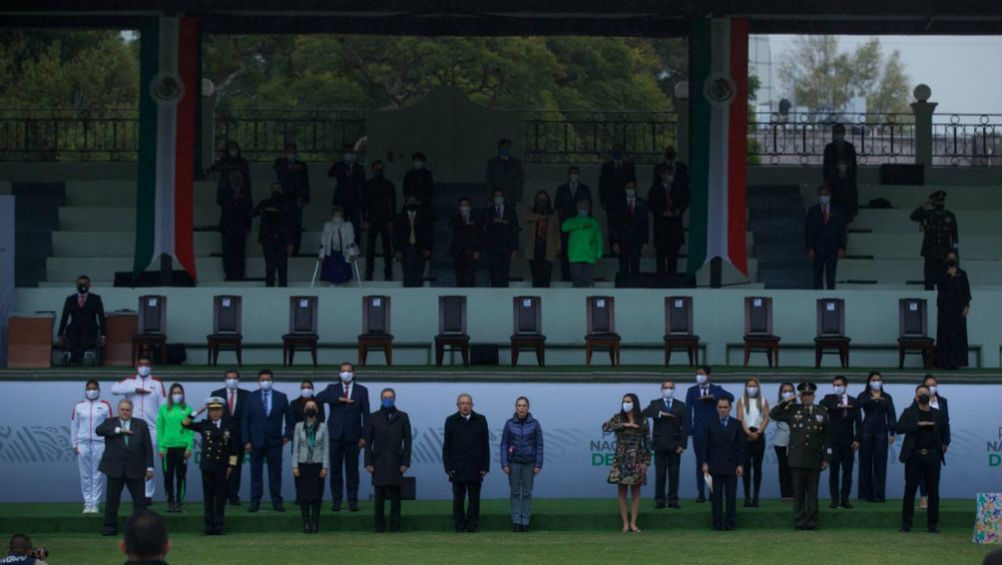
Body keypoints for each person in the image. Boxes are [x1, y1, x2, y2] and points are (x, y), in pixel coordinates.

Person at [770, 382, 829, 530]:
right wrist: (787, 400)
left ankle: (812, 521)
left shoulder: (822, 411)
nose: (806, 397)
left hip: (815, 458)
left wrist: (827, 457)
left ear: (814, 396)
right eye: (803, 394)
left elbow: (828, 437)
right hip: (796, 458)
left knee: (812, 492)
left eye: (809, 394)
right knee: (798, 492)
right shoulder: (792, 410)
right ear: (800, 396)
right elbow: (773, 414)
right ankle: (799, 521)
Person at [316, 362, 370, 512]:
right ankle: (337, 501)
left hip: (354, 437)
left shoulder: (362, 390)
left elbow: (366, 415)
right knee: (335, 471)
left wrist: (365, 436)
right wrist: (338, 399)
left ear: (354, 373)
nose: (346, 373)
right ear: (339, 373)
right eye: (343, 371)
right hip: (334, 436)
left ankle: (352, 501)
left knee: (352, 470)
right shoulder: (332, 389)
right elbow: (319, 398)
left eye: (349, 370)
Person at [181, 397, 239, 535]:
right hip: (207, 466)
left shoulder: (229, 426)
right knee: (208, 498)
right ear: (208, 411)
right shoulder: (204, 424)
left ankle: (219, 526)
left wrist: (231, 466)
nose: (215, 413)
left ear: (222, 411)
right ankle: (208, 526)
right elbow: (184, 423)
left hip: (222, 467)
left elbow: (235, 449)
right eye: (212, 409)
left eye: (217, 409)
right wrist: (198, 411)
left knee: (220, 498)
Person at [111, 356, 165, 505]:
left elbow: (163, 408)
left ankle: (148, 495)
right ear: (136, 366)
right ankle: (137, 493)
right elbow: (113, 389)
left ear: (151, 366)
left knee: (150, 462)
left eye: (147, 364)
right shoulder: (130, 382)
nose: (144, 367)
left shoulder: (157, 384)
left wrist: (162, 430)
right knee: (132, 461)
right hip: (132, 428)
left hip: (151, 428)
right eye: (141, 364)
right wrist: (134, 389)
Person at [97, 399, 154, 536]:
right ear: (118, 410)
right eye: (122, 409)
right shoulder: (110, 423)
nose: (125, 412)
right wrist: (118, 430)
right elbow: (98, 430)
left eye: (127, 410)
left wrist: (150, 467)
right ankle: (110, 526)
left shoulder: (141, 424)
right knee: (112, 500)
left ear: (132, 410)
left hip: (136, 468)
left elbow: (148, 447)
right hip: (115, 469)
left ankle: (141, 528)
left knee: (140, 501)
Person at [897, 384, 948, 533]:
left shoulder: (938, 413)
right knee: (910, 489)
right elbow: (898, 428)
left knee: (933, 490)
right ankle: (906, 523)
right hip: (914, 456)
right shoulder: (909, 412)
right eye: (920, 394)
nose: (923, 396)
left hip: (933, 456)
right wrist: (917, 424)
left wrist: (944, 444)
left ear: (931, 396)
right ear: (916, 397)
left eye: (926, 393)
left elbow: (945, 430)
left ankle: (933, 524)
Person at [241, 369, 293, 513]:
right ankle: (255, 502)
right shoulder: (250, 397)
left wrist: (287, 435)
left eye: (268, 379)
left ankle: (277, 502)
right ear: (258, 381)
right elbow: (245, 421)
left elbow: (290, 419)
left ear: (272, 380)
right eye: (263, 379)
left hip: (275, 441)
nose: (265, 381)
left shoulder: (281, 397)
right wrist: (246, 441)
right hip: (255, 442)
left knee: (275, 473)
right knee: (255, 473)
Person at [364, 388, 413, 533]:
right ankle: (379, 526)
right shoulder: (373, 417)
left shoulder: (402, 416)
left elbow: (408, 441)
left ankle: (395, 525)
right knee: (379, 498)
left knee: (396, 497)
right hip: (378, 462)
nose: (388, 399)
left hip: (396, 463)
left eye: (390, 397)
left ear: (395, 399)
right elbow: (368, 442)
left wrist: (405, 462)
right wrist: (368, 462)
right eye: (385, 397)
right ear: (380, 398)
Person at [685, 366, 734, 502]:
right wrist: (689, 431)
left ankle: (713, 492)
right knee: (700, 462)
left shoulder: (717, 389)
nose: (698, 376)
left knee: (714, 462)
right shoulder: (692, 391)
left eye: (701, 374)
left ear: (708, 375)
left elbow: (731, 397)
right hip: (699, 431)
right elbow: (688, 412)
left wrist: (713, 397)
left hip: (715, 431)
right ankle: (701, 493)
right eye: (697, 374)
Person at [603, 393, 650, 533]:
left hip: (637, 459)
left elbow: (647, 443)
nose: (626, 404)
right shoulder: (618, 418)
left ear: (634, 403)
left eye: (628, 401)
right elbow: (605, 427)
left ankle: (633, 523)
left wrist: (646, 462)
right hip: (621, 459)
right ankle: (625, 524)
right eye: (624, 401)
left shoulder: (643, 420)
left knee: (636, 493)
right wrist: (625, 424)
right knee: (622, 492)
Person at [442, 393, 490, 532]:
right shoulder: (450, 421)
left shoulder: (481, 420)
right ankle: (459, 524)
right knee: (458, 498)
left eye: (467, 403)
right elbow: (447, 447)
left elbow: (485, 445)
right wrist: (448, 467)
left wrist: (485, 466)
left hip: (476, 466)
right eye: (462, 403)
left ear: (472, 405)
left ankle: (472, 524)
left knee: (474, 499)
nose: (465, 405)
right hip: (457, 467)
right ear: (457, 405)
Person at [699, 397, 746, 531]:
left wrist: (740, 464)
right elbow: (704, 446)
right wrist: (704, 463)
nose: (723, 410)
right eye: (721, 407)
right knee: (716, 498)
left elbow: (741, 447)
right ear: (716, 408)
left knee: (731, 497)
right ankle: (717, 523)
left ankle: (730, 523)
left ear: (730, 408)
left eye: (725, 407)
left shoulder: (737, 424)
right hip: (714, 466)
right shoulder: (709, 423)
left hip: (732, 466)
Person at [641, 379, 687, 509]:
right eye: (666, 387)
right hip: (659, 444)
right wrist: (660, 413)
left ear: (674, 389)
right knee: (660, 475)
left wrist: (682, 445)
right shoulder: (655, 403)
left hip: (675, 445)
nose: (668, 390)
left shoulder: (681, 405)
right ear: (662, 389)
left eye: (671, 387)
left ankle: (673, 500)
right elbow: (644, 413)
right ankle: (659, 501)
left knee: (674, 475)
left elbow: (686, 427)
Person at [500, 397, 544, 532]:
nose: (522, 408)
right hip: (513, 464)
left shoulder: (535, 424)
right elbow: (504, 445)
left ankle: (525, 521)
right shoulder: (509, 424)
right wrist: (504, 463)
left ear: (528, 408)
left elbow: (539, 446)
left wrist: (538, 464)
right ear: (515, 407)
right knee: (514, 493)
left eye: (524, 405)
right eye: (519, 405)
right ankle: (516, 521)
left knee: (526, 494)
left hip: (529, 464)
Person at [819, 375, 861, 509]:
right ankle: (834, 500)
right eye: (834, 385)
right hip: (833, 442)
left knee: (847, 472)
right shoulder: (828, 399)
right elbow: (822, 404)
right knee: (834, 472)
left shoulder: (854, 401)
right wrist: (839, 405)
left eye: (839, 385)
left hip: (849, 442)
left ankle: (845, 500)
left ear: (845, 385)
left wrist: (857, 439)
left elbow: (859, 422)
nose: (836, 387)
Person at [72, 379, 113, 514]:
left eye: (94, 388)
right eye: (89, 388)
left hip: (100, 443)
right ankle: (87, 503)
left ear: (99, 390)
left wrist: (110, 444)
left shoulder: (105, 405)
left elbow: (110, 426)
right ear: (85, 390)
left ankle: (95, 504)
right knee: (85, 475)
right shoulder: (79, 406)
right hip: (83, 443)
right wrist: (74, 444)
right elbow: (74, 426)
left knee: (97, 475)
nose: (92, 390)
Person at [211, 370, 249, 506]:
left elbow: (249, 419)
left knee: (235, 466)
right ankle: (220, 495)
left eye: (234, 378)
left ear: (238, 379)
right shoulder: (216, 394)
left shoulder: (246, 395)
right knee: (220, 467)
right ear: (225, 379)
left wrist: (246, 439)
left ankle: (233, 495)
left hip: (237, 442)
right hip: (220, 439)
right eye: (229, 378)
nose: (231, 380)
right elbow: (211, 417)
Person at [857, 371, 896, 503]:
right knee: (865, 463)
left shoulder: (887, 396)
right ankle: (865, 495)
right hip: (866, 431)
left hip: (881, 431)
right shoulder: (863, 395)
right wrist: (870, 399)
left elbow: (891, 415)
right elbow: (858, 408)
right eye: (874, 379)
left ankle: (878, 495)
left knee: (880, 464)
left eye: (879, 379)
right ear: (869, 382)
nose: (876, 381)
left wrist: (891, 432)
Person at [292, 398, 329, 534]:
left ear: (317, 410)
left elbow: (326, 448)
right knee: (303, 496)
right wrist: (294, 466)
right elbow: (295, 447)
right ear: (304, 410)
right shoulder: (298, 426)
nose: (310, 408)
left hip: (318, 465)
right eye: (308, 406)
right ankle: (306, 522)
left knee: (316, 496)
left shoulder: (324, 426)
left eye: (313, 406)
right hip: (302, 465)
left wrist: (325, 467)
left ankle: (315, 522)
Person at [155, 383, 193, 513]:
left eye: (179, 392)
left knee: (181, 477)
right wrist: (161, 447)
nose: (177, 394)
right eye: (175, 392)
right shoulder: (164, 409)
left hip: (182, 448)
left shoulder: (187, 409)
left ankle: (180, 502)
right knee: (168, 477)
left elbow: (190, 430)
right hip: (167, 449)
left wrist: (189, 447)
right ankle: (170, 502)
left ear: (183, 394)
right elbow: (160, 428)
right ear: (170, 394)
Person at [910, 190, 959, 290]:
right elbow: (913, 216)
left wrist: (955, 254)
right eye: (937, 201)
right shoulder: (928, 215)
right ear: (933, 203)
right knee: (929, 282)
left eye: (941, 201)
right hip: (930, 253)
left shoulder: (950, 216)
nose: (940, 203)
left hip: (944, 254)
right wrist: (925, 204)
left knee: (944, 283)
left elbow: (955, 237)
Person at [914, 375, 950, 509]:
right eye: (929, 385)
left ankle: (933, 499)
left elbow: (946, 423)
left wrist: (946, 441)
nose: (932, 387)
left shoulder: (942, 401)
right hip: (922, 441)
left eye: (934, 384)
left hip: (937, 441)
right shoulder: (918, 400)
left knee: (934, 472)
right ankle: (923, 498)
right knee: (922, 472)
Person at [647, 165, 688, 274]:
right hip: (661, 229)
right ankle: (661, 282)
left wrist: (679, 210)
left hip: (675, 229)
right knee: (660, 257)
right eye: (669, 174)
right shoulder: (655, 190)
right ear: (663, 175)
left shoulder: (677, 188)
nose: (671, 176)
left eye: (672, 174)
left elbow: (684, 201)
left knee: (673, 258)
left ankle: (672, 282)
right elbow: (651, 206)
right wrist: (663, 213)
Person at [360, 160, 397, 281]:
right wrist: (365, 220)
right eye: (377, 168)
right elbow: (363, 204)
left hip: (386, 219)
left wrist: (392, 220)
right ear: (373, 169)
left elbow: (393, 204)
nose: (379, 171)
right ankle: (368, 273)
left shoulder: (389, 185)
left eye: (380, 168)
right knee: (370, 248)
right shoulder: (367, 185)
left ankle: (388, 273)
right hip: (372, 219)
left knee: (387, 248)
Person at [554, 166, 592, 281]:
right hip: (566, 226)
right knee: (566, 253)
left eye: (575, 173)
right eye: (571, 173)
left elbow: (590, 209)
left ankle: (580, 279)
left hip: (581, 228)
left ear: (579, 174)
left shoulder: (585, 188)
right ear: (568, 174)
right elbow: (556, 209)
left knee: (580, 253)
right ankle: (565, 279)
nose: (573, 175)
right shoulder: (561, 189)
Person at [805, 184, 846, 289]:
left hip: (833, 247)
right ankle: (817, 297)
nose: (824, 197)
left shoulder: (837, 210)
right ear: (818, 196)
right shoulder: (812, 211)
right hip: (817, 247)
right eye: (821, 194)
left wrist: (842, 247)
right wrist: (809, 248)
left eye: (826, 194)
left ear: (830, 195)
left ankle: (831, 297)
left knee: (831, 275)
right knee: (817, 275)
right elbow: (808, 230)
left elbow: (841, 230)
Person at [253, 182, 295, 287]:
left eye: (278, 188)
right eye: (274, 189)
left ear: (281, 190)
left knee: (282, 266)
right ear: (271, 190)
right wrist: (265, 209)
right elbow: (253, 213)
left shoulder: (287, 204)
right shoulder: (265, 203)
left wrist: (291, 242)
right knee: (270, 266)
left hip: (282, 238)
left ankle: (283, 290)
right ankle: (269, 289)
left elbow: (291, 224)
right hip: (268, 238)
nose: (276, 191)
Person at [736, 377, 769, 507]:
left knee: (757, 467)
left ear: (758, 387)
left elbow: (766, 418)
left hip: (759, 436)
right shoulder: (741, 401)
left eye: (754, 385)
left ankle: (755, 497)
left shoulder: (764, 400)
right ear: (745, 387)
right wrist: (748, 433)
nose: (752, 388)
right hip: (745, 435)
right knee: (746, 467)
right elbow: (740, 418)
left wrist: (758, 432)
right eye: (749, 385)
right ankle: (747, 496)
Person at [935, 250, 971, 369]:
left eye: (953, 257)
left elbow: (966, 291)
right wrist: (949, 276)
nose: (951, 259)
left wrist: (966, 306)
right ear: (946, 259)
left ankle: (956, 362)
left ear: (957, 259)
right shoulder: (941, 273)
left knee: (957, 335)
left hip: (958, 310)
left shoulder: (962, 273)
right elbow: (941, 289)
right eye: (949, 257)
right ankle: (944, 361)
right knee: (945, 335)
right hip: (945, 310)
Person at [57, 275, 106, 364]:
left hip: (90, 330)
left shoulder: (95, 299)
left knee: (85, 331)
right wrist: (60, 335)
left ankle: (77, 357)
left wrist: (103, 336)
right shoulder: (70, 299)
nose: (82, 286)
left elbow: (101, 318)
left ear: (89, 285)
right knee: (73, 330)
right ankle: (76, 356)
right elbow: (64, 317)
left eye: (85, 284)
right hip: (74, 330)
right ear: (76, 285)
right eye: (80, 284)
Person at [273, 142, 310, 254]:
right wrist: (290, 167)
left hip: (297, 198)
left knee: (296, 224)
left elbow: (305, 182)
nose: (291, 153)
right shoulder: (279, 163)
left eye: (293, 151)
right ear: (285, 152)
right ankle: (283, 248)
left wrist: (305, 198)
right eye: (289, 151)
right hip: (284, 197)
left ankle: (295, 248)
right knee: (283, 223)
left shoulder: (302, 165)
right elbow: (278, 170)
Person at [216, 170, 253, 281]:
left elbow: (248, 212)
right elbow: (220, 201)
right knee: (227, 252)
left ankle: (239, 274)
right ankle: (229, 274)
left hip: (240, 226)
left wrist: (248, 226)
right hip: (227, 226)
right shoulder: (225, 192)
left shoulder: (246, 194)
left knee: (239, 252)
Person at [481, 188, 520, 287]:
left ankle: (504, 296)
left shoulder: (510, 212)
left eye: (500, 196)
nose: (498, 198)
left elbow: (515, 230)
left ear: (504, 197)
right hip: (492, 248)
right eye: (496, 196)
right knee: (493, 273)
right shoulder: (488, 212)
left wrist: (515, 248)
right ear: (493, 198)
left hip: (506, 247)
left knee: (504, 273)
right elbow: (483, 227)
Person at [609, 180, 649, 275]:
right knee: (623, 268)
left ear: (635, 189)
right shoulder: (618, 204)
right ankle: (623, 288)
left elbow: (646, 225)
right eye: (628, 188)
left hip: (637, 241)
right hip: (622, 241)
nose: (630, 190)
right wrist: (614, 242)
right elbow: (613, 224)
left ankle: (635, 287)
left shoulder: (642, 204)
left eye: (632, 188)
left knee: (635, 267)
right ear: (625, 189)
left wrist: (646, 242)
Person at [522, 191, 560, 288]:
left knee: (546, 278)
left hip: (548, 249)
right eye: (539, 199)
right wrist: (540, 217)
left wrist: (558, 247)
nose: (542, 201)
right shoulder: (531, 211)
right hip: (534, 249)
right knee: (536, 277)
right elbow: (525, 217)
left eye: (544, 199)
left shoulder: (553, 213)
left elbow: (557, 231)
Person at [393, 196, 434, 288]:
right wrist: (397, 250)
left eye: (413, 201)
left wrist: (428, 248)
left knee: (419, 272)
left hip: (420, 248)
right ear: (405, 204)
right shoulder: (400, 217)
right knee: (407, 272)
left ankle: (418, 290)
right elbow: (396, 235)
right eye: (409, 202)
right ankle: (407, 290)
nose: (411, 204)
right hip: (405, 248)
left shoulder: (424, 217)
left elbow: (429, 234)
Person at [561, 198, 602, 288]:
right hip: (575, 257)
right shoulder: (572, 221)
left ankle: (587, 301)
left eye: (585, 207)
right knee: (577, 283)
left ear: (589, 208)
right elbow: (564, 228)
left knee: (587, 282)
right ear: (577, 208)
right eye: (581, 207)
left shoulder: (593, 222)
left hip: (590, 257)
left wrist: (599, 254)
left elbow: (598, 239)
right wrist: (580, 225)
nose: (583, 209)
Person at [822, 123, 858, 223]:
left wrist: (846, 169)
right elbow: (826, 167)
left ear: (844, 133)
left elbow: (854, 166)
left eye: (840, 132)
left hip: (847, 185)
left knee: (847, 213)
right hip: (834, 183)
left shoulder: (850, 147)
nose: (838, 135)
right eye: (836, 132)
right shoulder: (829, 148)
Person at [318, 206, 358, 286]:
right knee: (330, 274)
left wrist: (352, 253)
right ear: (332, 216)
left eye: (339, 215)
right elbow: (323, 241)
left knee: (343, 274)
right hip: (331, 253)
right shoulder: (327, 225)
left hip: (343, 253)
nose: (337, 218)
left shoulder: (347, 225)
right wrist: (321, 255)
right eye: (335, 215)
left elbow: (350, 240)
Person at [328, 144, 366, 227]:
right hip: (341, 198)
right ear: (343, 154)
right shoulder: (338, 165)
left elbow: (362, 181)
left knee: (355, 223)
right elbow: (330, 173)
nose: (349, 154)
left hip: (354, 199)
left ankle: (355, 240)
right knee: (340, 223)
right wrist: (341, 168)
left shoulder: (358, 167)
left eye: (351, 152)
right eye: (347, 152)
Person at [449, 197, 482, 287]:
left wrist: (477, 250)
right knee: (459, 276)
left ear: (470, 207)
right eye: (462, 205)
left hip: (471, 252)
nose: (464, 207)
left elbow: (479, 234)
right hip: (458, 251)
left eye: (466, 205)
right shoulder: (455, 217)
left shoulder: (475, 218)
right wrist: (465, 224)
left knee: (470, 276)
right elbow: (452, 226)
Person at [772, 383, 796, 502]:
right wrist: (783, 403)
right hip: (780, 441)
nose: (788, 393)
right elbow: (771, 416)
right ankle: (785, 495)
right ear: (781, 393)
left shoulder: (798, 406)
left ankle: (796, 494)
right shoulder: (778, 406)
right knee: (783, 468)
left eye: (790, 390)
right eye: (785, 391)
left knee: (795, 468)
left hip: (796, 441)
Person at [598, 144, 636, 214]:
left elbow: (633, 183)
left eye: (620, 150)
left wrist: (633, 199)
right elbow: (602, 184)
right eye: (616, 151)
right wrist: (602, 200)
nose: (618, 153)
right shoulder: (606, 166)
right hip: (610, 201)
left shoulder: (629, 166)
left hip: (625, 200)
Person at [485, 138, 525, 204]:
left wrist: (517, 196)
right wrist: (490, 196)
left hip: (511, 197)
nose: (504, 148)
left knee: (510, 213)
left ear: (509, 148)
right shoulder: (492, 163)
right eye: (502, 146)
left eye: (506, 147)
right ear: (499, 148)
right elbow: (489, 180)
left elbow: (520, 180)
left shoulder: (516, 163)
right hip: (496, 196)